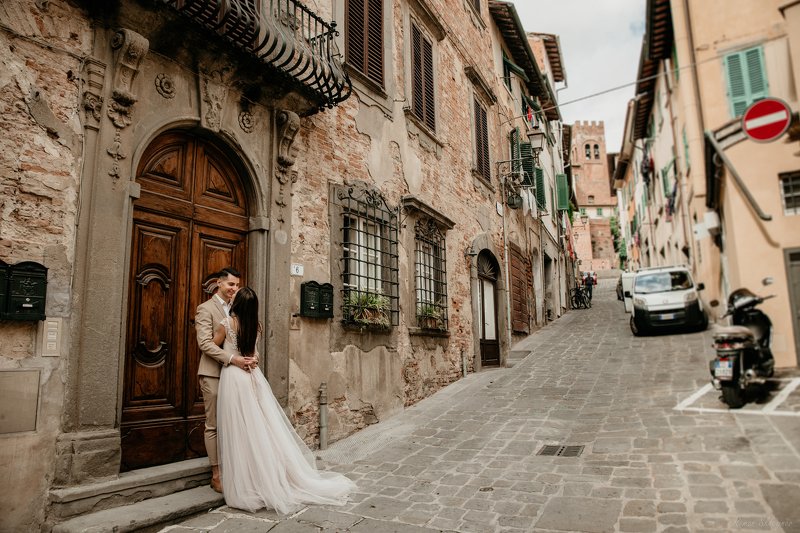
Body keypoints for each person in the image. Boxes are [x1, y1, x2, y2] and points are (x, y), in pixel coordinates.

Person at [212, 287, 356, 513]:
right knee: (259, 427)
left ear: (237, 304)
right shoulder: (256, 326)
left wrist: (233, 358)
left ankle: (246, 482)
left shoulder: (227, 324)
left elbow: (212, 345)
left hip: (234, 376)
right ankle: (265, 477)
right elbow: (255, 352)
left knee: (238, 429)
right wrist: (254, 358)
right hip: (253, 375)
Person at [195, 267, 252, 493]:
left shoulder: (238, 309)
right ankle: (216, 474)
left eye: (237, 285)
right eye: (230, 285)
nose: (234, 289)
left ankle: (236, 468)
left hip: (238, 377)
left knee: (238, 422)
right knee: (214, 424)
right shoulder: (205, 309)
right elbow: (205, 343)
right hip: (213, 373)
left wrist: (250, 357)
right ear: (218, 283)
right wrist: (232, 359)